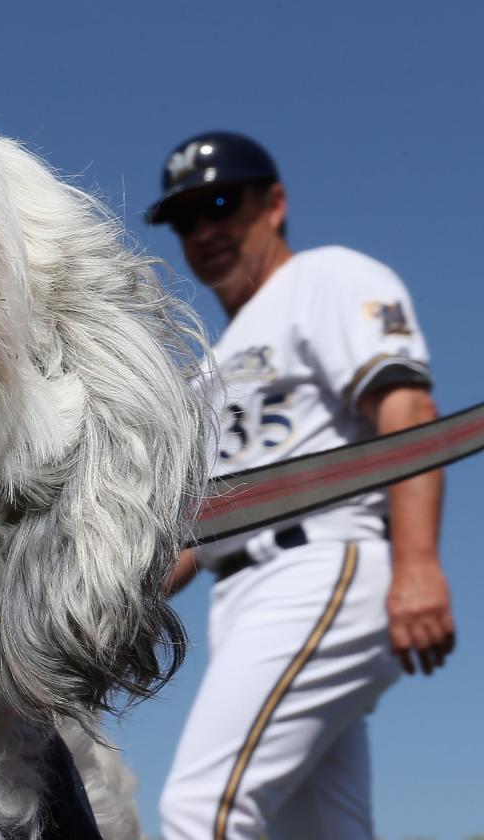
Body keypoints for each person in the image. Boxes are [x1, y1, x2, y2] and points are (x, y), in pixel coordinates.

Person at [145, 131, 455, 839]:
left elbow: (406, 409)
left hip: (323, 565)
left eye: (221, 203)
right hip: (245, 593)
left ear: (275, 203)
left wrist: (417, 563)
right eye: (186, 219)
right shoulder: (206, 371)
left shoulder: (324, 278)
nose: (206, 230)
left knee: (201, 810)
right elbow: (193, 533)